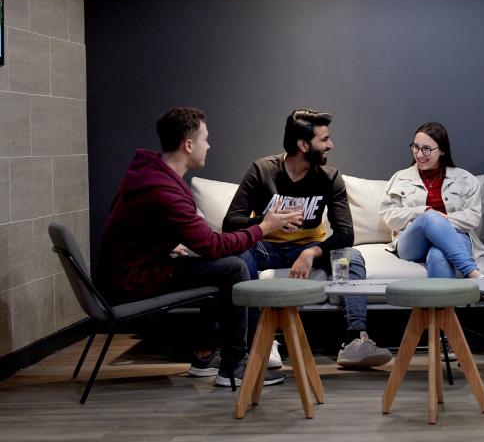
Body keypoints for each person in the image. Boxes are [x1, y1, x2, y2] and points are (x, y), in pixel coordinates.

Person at [99, 107, 300, 387]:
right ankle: (235, 366)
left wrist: (170, 245)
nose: (209, 146)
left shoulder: (150, 174)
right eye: (205, 139)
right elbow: (212, 246)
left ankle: (205, 357)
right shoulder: (163, 189)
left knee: (221, 265)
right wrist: (264, 227)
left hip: (138, 268)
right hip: (131, 283)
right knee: (233, 267)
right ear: (188, 144)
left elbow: (145, 230)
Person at [224, 108, 392, 368]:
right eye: (324, 140)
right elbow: (231, 222)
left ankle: (354, 340)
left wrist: (311, 253)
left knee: (351, 257)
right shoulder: (262, 170)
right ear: (303, 145)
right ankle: (260, 341)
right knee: (238, 259)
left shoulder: (330, 177)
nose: (331, 145)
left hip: (310, 246)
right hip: (267, 247)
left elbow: (346, 234)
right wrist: (268, 222)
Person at [380, 122, 484, 280]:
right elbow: (388, 215)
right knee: (429, 215)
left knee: (438, 255)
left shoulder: (465, 179)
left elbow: (473, 217)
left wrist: (445, 219)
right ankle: (471, 271)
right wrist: (423, 213)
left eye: (426, 149)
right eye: (416, 147)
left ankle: (441, 305)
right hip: (413, 243)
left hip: (455, 237)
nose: (419, 154)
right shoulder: (400, 178)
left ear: (442, 150)